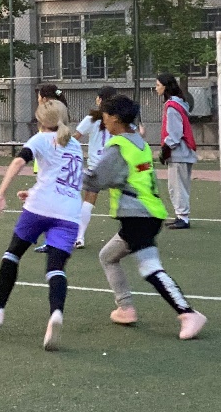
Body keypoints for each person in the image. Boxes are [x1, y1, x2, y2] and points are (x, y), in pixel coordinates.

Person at [83, 95, 206, 340]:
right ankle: (125, 308)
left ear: (115, 118)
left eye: (105, 116)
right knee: (108, 256)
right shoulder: (138, 141)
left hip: (138, 216)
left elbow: (97, 179)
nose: (103, 121)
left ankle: (188, 313)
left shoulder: (119, 146)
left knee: (150, 267)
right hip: (148, 214)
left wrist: (64, 174)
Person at [0, 99, 84, 351]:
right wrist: (34, 191)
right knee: (56, 268)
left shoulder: (40, 139)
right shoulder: (76, 145)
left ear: (39, 121)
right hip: (69, 212)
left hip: (40, 208)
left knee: (12, 254)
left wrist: (1, 193)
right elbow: (64, 179)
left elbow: (18, 162)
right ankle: (56, 313)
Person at [74, 85, 118, 249]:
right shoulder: (119, 118)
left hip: (96, 167)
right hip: (115, 166)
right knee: (127, 199)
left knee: (88, 201)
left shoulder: (92, 118)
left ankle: (79, 237)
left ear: (100, 99)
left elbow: (75, 137)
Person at [155, 72, 197, 230]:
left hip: (179, 153)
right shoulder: (178, 104)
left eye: (158, 85)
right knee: (178, 186)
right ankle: (181, 216)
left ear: (165, 87)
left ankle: (183, 217)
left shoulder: (172, 107)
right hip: (183, 152)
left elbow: (174, 134)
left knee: (177, 186)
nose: (156, 88)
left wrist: (165, 148)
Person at [31, 84, 68, 254]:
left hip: (50, 162)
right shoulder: (56, 113)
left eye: (39, 96)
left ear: (44, 98)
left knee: (50, 203)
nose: (38, 99)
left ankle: (54, 240)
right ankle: (55, 238)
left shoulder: (51, 116)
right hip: (48, 161)